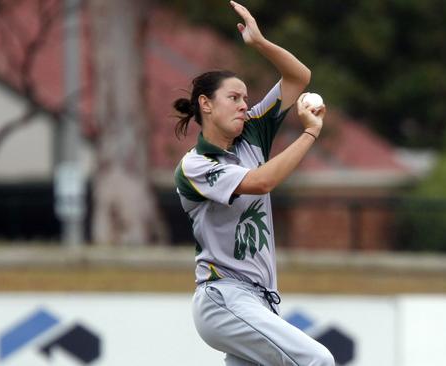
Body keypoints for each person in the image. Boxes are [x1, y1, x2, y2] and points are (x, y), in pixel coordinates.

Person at [173, 2, 334, 365]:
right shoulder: (196, 165)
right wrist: (309, 133)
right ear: (206, 104)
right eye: (233, 98)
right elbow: (261, 182)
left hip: (257, 300)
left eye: (246, 98)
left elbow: (298, 77)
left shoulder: (252, 133)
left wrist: (259, 42)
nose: (245, 105)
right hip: (223, 297)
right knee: (316, 361)